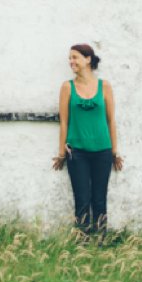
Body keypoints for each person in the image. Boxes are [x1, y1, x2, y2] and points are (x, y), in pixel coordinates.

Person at [52, 43, 123, 234]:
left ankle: (100, 240)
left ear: (88, 59)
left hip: (102, 151)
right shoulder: (67, 87)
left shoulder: (104, 86)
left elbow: (111, 120)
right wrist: (61, 153)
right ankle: (82, 242)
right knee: (82, 199)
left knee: (100, 199)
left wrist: (114, 151)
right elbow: (64, 122)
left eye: (75, 57)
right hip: (77, 152)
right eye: (70, 58)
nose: (71, 61)